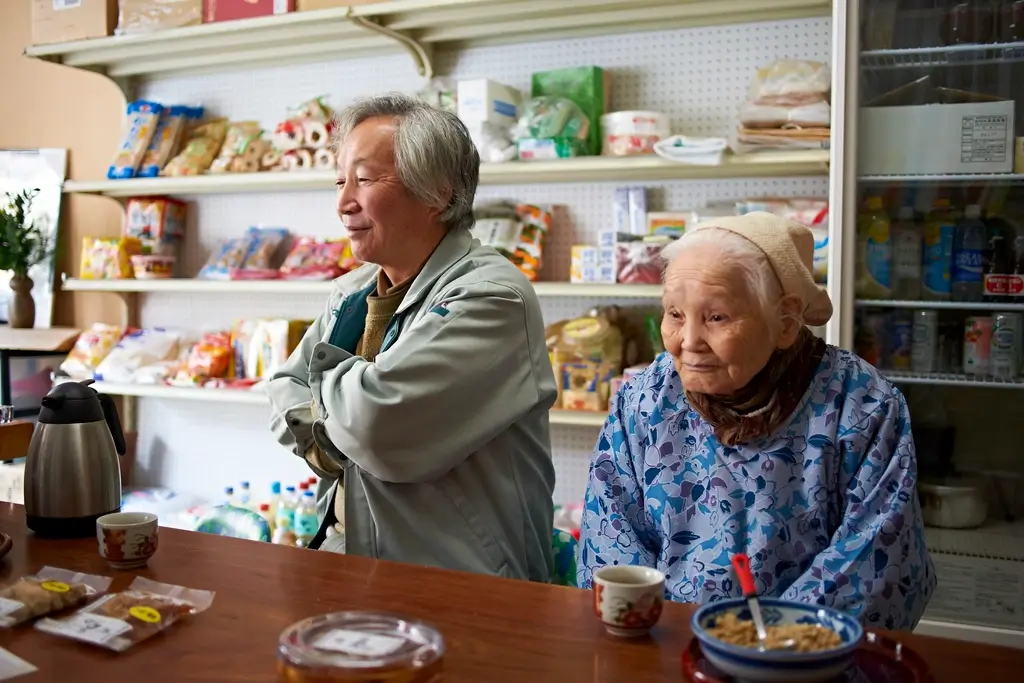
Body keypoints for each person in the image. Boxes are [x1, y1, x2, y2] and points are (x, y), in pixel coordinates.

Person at [577, 212, 936, 630]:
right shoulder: (644, 400)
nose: (689, 341)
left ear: (784, 323)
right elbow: (612, 541)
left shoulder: (861, 406)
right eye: (675, 314)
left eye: (716, 317)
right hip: (667, 647)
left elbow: (875, 562)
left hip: (806, 663)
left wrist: (760, 646)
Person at [267, 93, 556, 582]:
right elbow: (281, 389)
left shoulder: (491, 297)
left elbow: (377, 428)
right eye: (340, 181)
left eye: (363, 179)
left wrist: (334, 415)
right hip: (354, 558)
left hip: (460, 581)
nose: (343, 203)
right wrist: (344, 415)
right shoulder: (353, 291)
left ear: (438, 193)